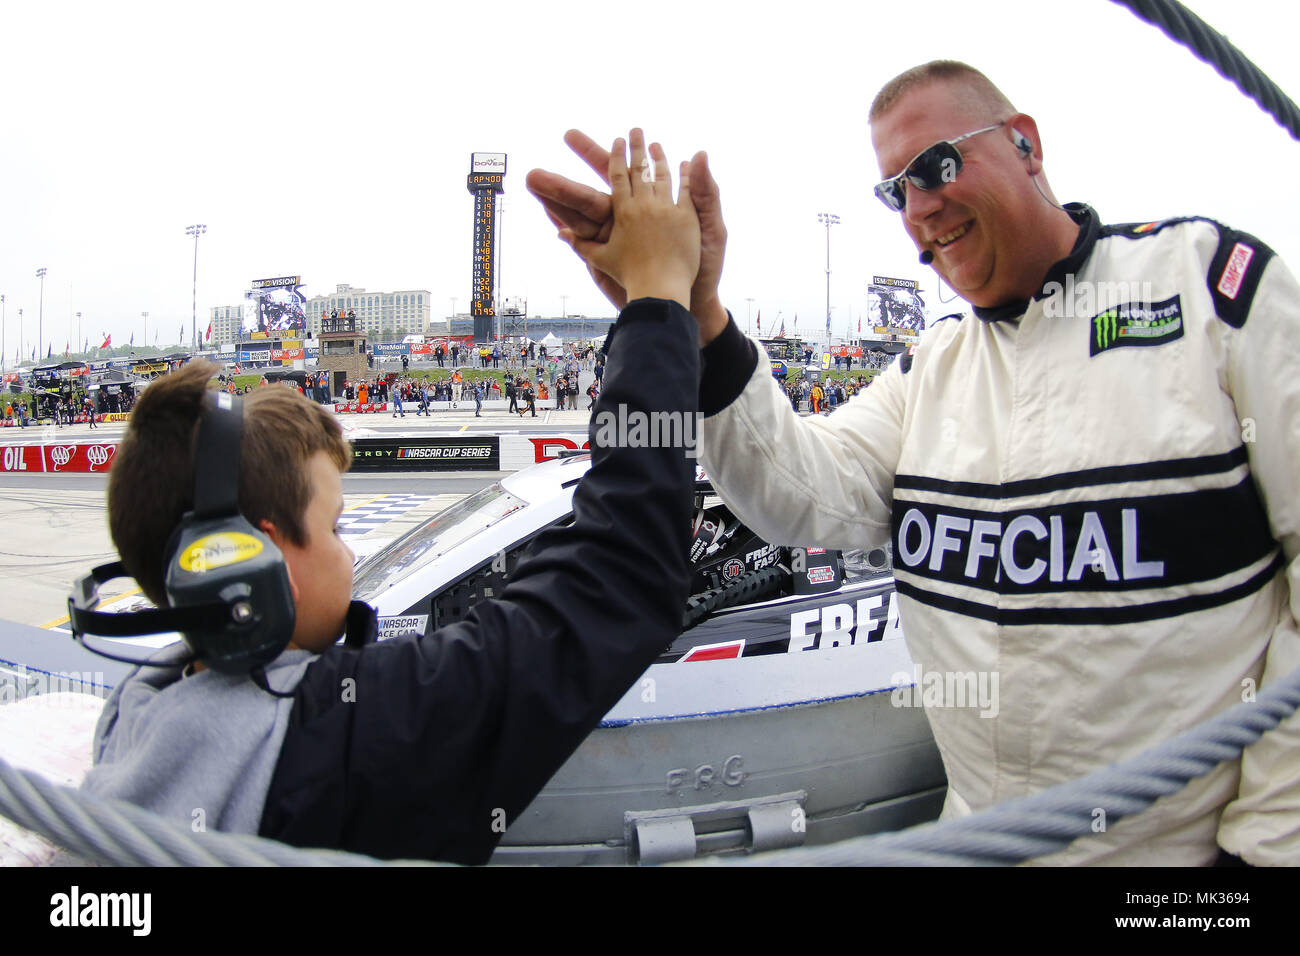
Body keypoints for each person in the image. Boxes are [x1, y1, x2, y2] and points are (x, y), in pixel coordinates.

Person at [528, 74, 1300, 867]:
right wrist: (697, 313)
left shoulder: (1213, 290)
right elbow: (804, 496)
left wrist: (1267, 852)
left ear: (1025, 143)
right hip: (978, 842)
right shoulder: (934, 364)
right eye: (893, 193)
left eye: (934, 167)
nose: (918, 208)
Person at [80, 130, 702, 865]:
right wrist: (659, 299)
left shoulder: (135, 715)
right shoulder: (338, 738)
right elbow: (624, 573)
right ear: (251, 567)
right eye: (335, 527)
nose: (351, 551)